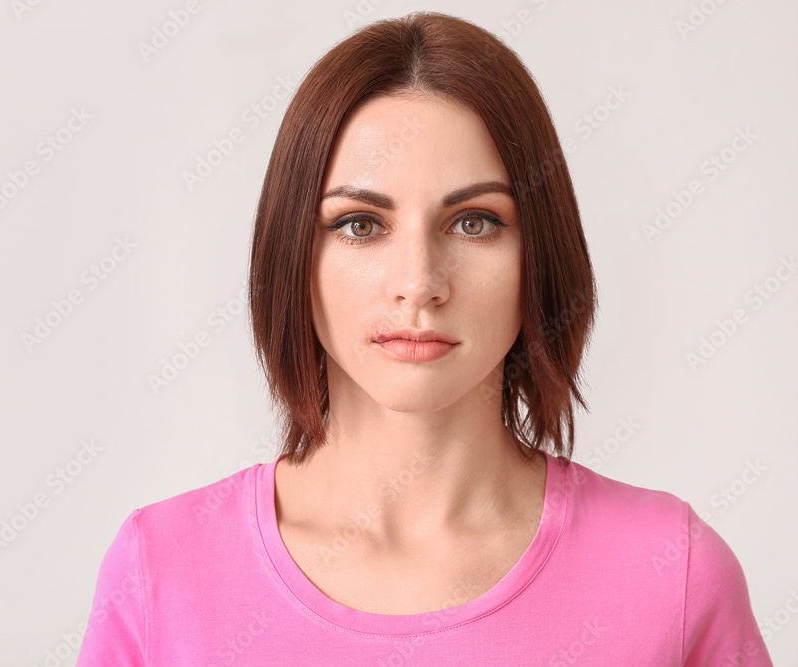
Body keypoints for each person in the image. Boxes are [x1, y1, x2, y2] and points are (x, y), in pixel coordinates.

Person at [75, 11, 773, 665]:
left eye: (474, 221)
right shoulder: (160, 571)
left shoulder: (671, 572)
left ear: (541, 252)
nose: (419, 282)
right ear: (292, 255)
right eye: (360, 224)